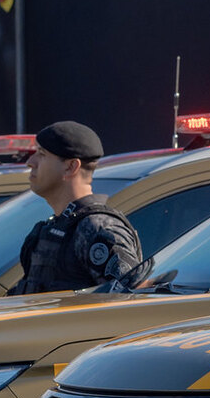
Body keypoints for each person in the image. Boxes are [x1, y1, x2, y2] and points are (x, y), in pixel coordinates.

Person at [12, 121, 144, 294]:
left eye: (42, 154)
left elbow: (130, 304)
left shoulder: (98, 229)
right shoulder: (55, 228)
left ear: (70, 167)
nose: (30, 162)